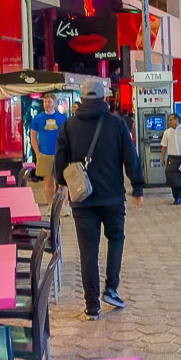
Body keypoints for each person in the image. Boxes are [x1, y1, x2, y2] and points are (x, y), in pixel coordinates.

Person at [54, 79, 144, 321]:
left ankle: (91, 307)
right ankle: (111, 289)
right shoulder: (117, 124)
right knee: (116, 239)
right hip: (113, 197)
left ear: (81, 99)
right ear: (105, 98)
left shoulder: (69, 126)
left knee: (88, 251)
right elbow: (130, 157)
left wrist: (66, 185)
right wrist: (137, 187)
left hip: (82, 200)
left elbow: (59, 166)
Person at [30, 94, 68, 207]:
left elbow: (67, 136)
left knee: (62, 182)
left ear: (55, 103)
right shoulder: (37, 119)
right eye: (45, 102)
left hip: (60, 154)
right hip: (44, 154)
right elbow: (33, 137)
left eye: (49, 102)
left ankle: (63, 206)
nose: (47, 104)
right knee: (48, 182)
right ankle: (51, 206)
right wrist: (37, 153)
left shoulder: (63, 118)